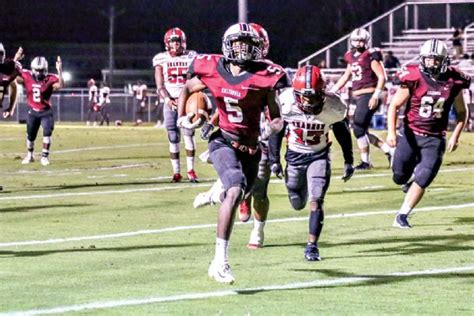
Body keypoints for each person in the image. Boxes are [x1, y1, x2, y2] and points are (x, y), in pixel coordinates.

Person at [177, 22, 287, 284]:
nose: (244, 50)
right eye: (239, 44)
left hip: (251, 147)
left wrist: (269, 130)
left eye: (249, 45)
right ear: (228, 45)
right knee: (236, 190)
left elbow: (276, 118)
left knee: (241, 192)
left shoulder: (265, 76)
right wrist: (183, 117)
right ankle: (219, 261)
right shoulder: (212, 67)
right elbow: (187, 88)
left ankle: (215, 193)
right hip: (222, 141)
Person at [386, 39, 470, 228]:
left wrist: (455, 136)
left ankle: (402, 215)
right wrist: (391, 133)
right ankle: (398, 164)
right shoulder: (414, 76)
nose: (431, 63)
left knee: (424, 177)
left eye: (436, 60)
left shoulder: (454, 80)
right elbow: (394, 106)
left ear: (444, 60)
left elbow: (462, 112)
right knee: (399, 177)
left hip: (435, 137)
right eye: (428, 59)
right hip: (410, 133)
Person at [278, 65, 350, 261]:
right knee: (296, 201)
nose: (309, 101)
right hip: (294, 156)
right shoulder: (285, 102)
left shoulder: (334, 106)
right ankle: (299, 191)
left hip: (319, 155)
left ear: (323, 92)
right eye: (304, 96)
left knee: (316, 200)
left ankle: (312, 245)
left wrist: (349, 159)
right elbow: (277, 130)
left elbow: (342, 132)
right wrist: (274, 159)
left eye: (313, 96)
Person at [330, 28, 393, 170]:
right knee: (361, 131)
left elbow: (383, 77)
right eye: (356, 40)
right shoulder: (350, 56)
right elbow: (346, 76)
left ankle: (366, 162)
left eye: (361, 40)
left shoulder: (370, 55)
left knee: (358, 129)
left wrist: (376, 95)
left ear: (366, 41)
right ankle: (389, 151)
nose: (358, 43)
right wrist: (333, 90)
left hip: (370, 94)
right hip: (360, 96)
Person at [153, 27, 199, 183]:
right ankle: (176, 172)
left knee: (188, 134)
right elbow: (159, 85)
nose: (176, 45)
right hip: (170, 100)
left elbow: (197, 79)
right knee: (173, 136)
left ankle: (191, 170)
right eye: (173, 42)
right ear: (167, 43)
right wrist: (168, 100)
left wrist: (186, 97)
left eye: (178, 42)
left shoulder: (191, 56)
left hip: (187, 101)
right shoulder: (161, 59)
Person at [16, 50, 64, 166]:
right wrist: (16, 60)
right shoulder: (27, 76)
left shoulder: (50, 78)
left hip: (46, 112)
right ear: (33, 69)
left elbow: (61, 85)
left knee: (47, 133)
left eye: (41, 70)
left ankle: (44, 157)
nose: (38, 73)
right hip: (33, 112)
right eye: (37, 70)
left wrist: (60, 70)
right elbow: (15, 77)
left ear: (45, 69)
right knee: (30, 135)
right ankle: (30, 155)